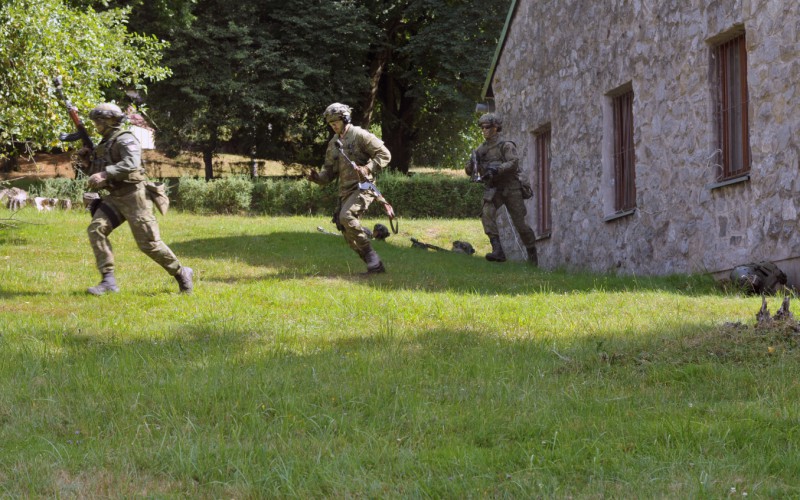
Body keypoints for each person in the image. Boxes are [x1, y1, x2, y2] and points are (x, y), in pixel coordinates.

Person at [79, 103, 193, 295]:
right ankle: (108, 281)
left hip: (135, 197)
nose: (96, 125)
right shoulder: (104, 143)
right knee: (96, 229)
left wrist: (105, 174)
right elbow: (98, 172)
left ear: (109, 121)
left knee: (149, 244)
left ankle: (182, 274)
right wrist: (86, 164)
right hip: (115, 197)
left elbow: (131, 164)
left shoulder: (125, 139)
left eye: (98, 121)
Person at [307, 103, 391, 274]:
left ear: (345, 119)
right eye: (330, 124)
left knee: (346, 216)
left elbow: (385, 155)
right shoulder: (333, 144)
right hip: (345, 192)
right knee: (347, 232)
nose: (333, 126)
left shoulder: (360, 135)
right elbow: (328, 173)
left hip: (363, 187)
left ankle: (371, 256)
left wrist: (368, 168)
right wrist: (317, 178)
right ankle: (374, 266)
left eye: (336, 122)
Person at [466, 112, 538, 264]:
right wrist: (472, 164)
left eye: (487, 127)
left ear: (496, 127)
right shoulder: (481, 149)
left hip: (511, 188)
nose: (484, 130)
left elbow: (513, 163)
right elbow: (469, 170)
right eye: (482, 127)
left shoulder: (506, 145)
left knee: (520, 224)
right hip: (494, 188)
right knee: (486, 212)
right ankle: (497, 250)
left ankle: (532, 253)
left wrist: (497, 169)